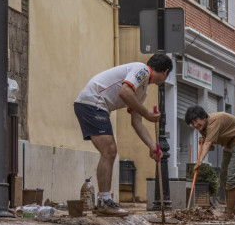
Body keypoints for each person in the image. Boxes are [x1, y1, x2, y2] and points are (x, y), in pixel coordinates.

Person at [74, 54, 173, 216]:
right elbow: (124, 92)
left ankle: (104, 200)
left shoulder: (142, 91)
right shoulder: (142, 70)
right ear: (165, 72)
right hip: (92, 103)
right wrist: (147, 113)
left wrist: (152, 146)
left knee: (109, 151)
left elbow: (136, 122)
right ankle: (105, 201)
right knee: (110, 150)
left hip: (95, 106)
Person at [185, 106, 235, 220]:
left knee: (232, 177)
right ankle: (231, 208)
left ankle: (229, 212)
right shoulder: (203, 128)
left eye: (196, 120)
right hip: (229, 144)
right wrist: (205, 139)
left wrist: (199, 161)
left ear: (203, 116)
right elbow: (211, 146)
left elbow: (207, 145)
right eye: (192, 123)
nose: (195, 125)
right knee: (223, 177)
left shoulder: (214, 122)